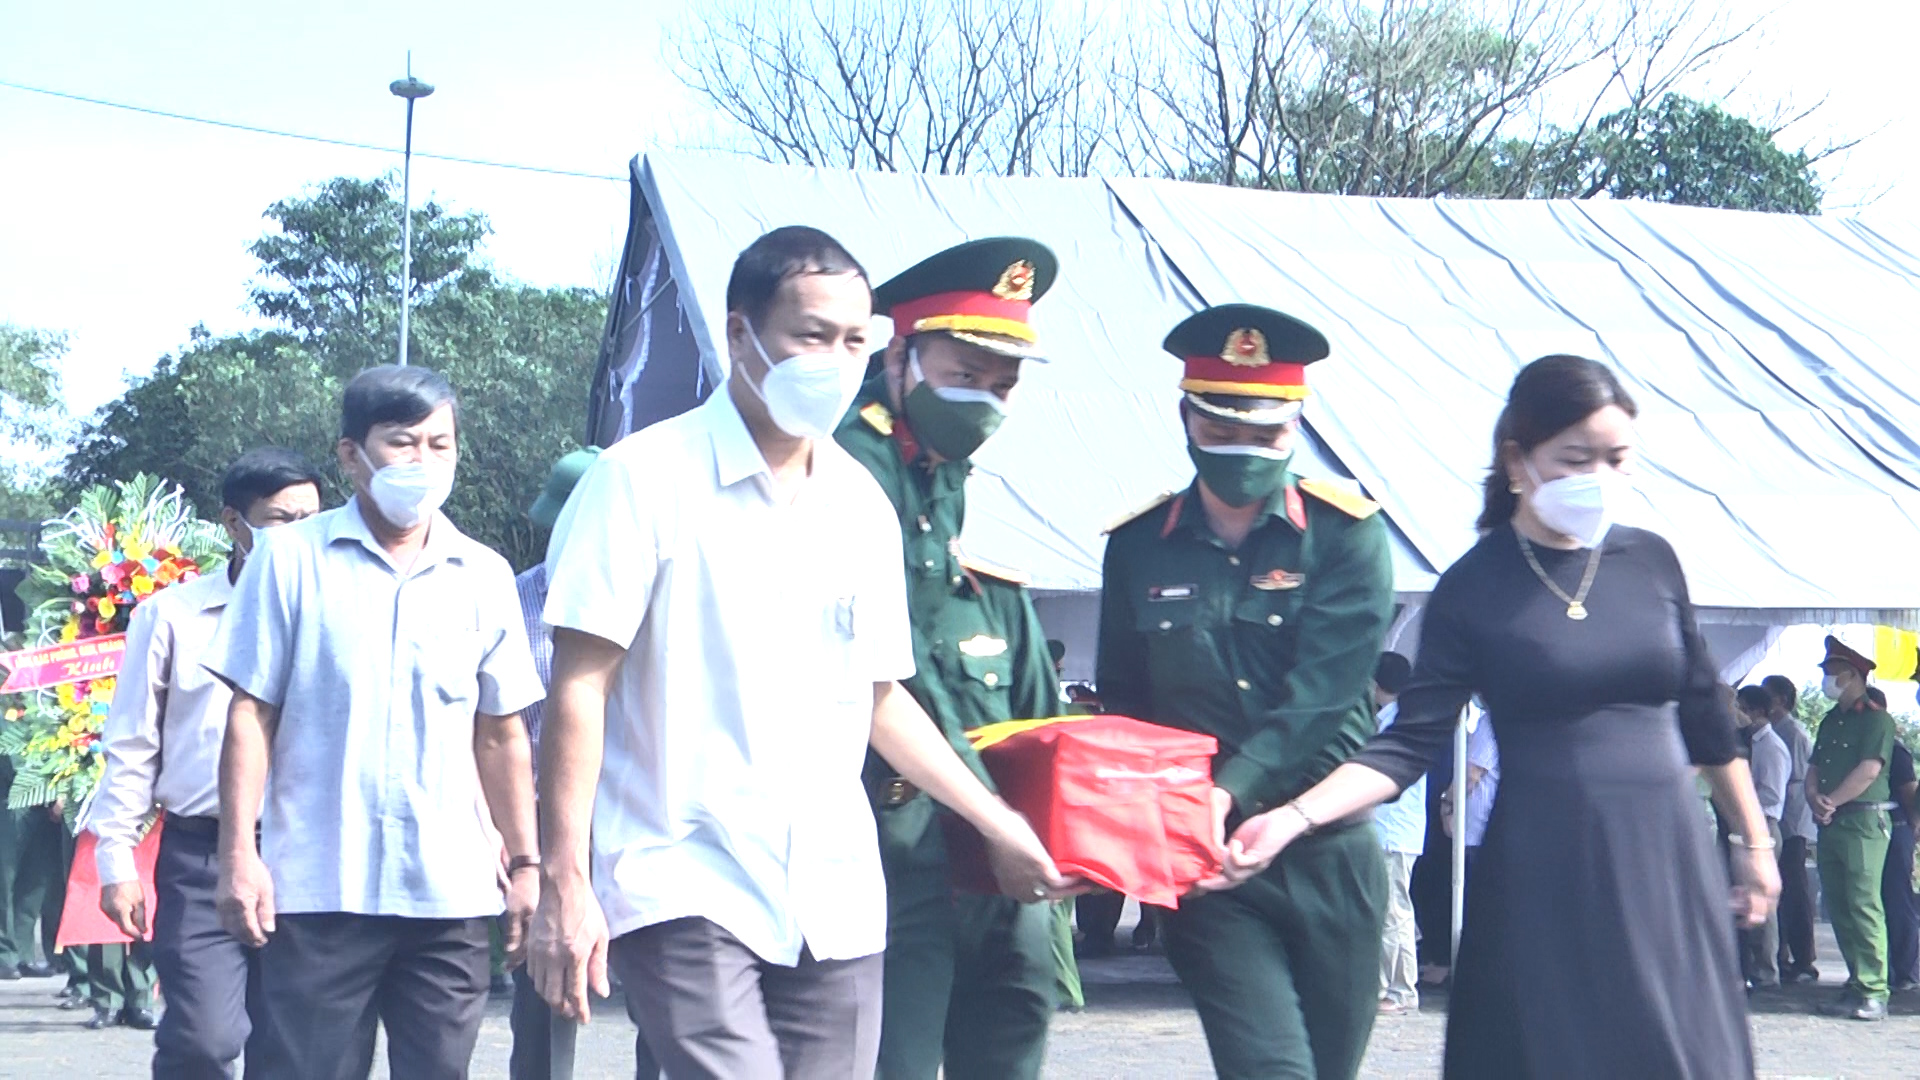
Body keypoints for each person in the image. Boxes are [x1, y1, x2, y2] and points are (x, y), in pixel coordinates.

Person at [528, 226, 1072, 1080]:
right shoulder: (642, 481)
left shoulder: (859, 505)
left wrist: (995, 819)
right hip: (682, 874)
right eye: (811, 336)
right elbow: (580, 688)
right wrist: (565, 879)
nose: (835, 361)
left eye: (855, 341)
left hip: (834, 891)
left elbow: (881, 698)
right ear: (740, 334)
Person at [1203, 355, 1778, 1077]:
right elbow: (1406, 745)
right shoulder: (1474, 586)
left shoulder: (1652, 560)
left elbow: (1705, 713)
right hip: (1547, 864)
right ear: (1516, 460)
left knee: (1684, 1053)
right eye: (1575, 459)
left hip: (1668, 856)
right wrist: (1291, 817)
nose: (1599, 477)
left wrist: (1753, 843)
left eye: (1617, 459)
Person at [208, 365, 544, 1079]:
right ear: (351, 455)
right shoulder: (290, 561)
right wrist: (239, 854)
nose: (423, 462)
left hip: (449, 895)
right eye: (402, 442)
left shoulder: (483, 574)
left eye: (440, 445)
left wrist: (525, 864)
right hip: (320, 889)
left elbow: (501, 733)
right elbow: (251, 715)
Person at [1097, 304, 1394, 1079]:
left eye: (1265, 432)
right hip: (1209, 861)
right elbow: (1126, 705)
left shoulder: (1347, 535)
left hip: (1328, 849)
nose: (1243, 449)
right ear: (1186, 418)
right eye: (1222, 428)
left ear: (1296, 424)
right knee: (1270, 1068)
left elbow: (1323, 696)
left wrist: (1232, 787)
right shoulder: (1137, 546)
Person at [832, 236, 1071, 1078]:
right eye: (964, 375)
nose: (984, 401)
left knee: (1011, 1013)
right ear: (900, 354)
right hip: (873, 818)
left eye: (1002, 386)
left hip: (940, 813)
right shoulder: (855, 465)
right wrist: (993, 812)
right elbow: (902, 669)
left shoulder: (938, 468)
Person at [89, 447, 323, 1069]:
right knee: (204, 1036)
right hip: (203, 855)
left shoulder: (339, 618)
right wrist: (116, 860)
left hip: (310, 855)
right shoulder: (172, 617)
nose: (299, 535)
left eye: (312, 519)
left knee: (297, 1047)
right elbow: (133, 744)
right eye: (281, 520)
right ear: (233, 523)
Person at [505, 447, 654, 1080]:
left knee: (667, 994)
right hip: (551, 823)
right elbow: (501, 730)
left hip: (642, 818)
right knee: (549, 995)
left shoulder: (655, 601)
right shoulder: (514, 603)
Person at [1807, 636, 1897, 1021]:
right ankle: (1857, 982)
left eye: (1834, 672)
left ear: (1854, 675)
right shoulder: (1831, 720)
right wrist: (1815, 798)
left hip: (1863, 821)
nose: (1828, 679)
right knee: (1839, 906)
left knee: (1863, 904)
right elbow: (1814, 767)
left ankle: (1875, 990)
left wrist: (1830, 801)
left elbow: (1869, 770)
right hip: (1832, 822)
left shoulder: (1877, 720)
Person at [1371, 652, 1425, 1016]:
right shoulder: (1394, 720)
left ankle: (1402, 989)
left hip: (1394, 828)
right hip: (1391, 827)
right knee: (1389, 909)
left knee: (1395, 911)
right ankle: (1386, 987)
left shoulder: (1397, 723)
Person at [1762, 672, 1819, 983]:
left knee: (1795, 889)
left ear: (1781, 700)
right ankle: (1782, 953)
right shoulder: (1775, 730)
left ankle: (1804, 958)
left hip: (1793, 820)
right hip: (1782, 817)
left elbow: (1798, 777)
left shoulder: (1792, 733)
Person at [1734, 684, 1790, 991]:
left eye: (1742, 709)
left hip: (1764, 825)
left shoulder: (1771, 747)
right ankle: (1752, 967)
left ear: (1757, 712)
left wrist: (1740, 798)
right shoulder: (1750, 742)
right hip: (1746, 825)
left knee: (1762, 901)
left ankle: (1767, 971)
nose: (1737, 715)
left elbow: (1771, 795)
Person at [1868, 686, 1920, 993]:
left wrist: (1914, 826)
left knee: (1897, 898)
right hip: (1873, 828)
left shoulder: (1895, 749)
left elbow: (1909, 792)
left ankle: (1906, 970)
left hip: (1897, 827)